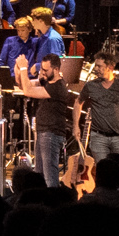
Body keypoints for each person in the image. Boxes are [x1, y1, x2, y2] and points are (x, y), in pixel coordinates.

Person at [77, 49, 119, 161]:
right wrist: (75, 126)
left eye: (99, 66)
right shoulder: (91, 86)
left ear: (110, 67)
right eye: (95, 66)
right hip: (98, 137)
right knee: (103, 168)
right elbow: (78, 102)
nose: (96, 69)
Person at [19, 54, 74, 182]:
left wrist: (23, 68)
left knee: (50, 177)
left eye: (45, 70)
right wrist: (19, 69)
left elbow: (28, 91)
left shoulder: (57, 87)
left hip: (51, 134)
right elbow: (24, 86)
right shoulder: (48, 82)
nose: (42, 72)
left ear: (56, 69)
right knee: (39, 176)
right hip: (44, 133)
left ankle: (53, 195)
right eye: (41, 69)